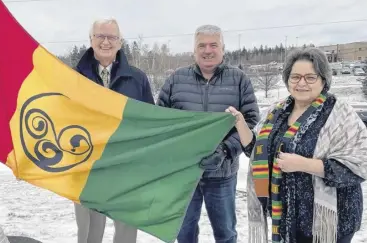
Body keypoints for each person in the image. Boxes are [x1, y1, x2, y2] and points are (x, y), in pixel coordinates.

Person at [227, 47, 367, 243]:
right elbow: (256, 152)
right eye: (295, 77)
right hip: (287, 218)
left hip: (329, 224)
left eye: (310, 77)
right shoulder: (276, 112)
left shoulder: (340, 114)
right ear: (287, 80)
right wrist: (240, 123)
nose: (302, 83)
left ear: (323, 80)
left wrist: (304, 164)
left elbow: (359, 166)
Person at [157, 24, 260, 243]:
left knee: (226, 234)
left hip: (222, 175)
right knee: (184, 234)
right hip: (184, 174)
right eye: (201, 45)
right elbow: (160, 121)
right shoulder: (176, 80)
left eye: (213, 44)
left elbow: (249, 121)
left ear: (223, 48)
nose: (207, 50)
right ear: (194, 50)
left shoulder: (239, 79)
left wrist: (225, 150)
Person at [74, 18, 154, 243]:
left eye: (112, 37)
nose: (106, 42)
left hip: (126, 169)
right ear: (91, 40)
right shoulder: (73, 78)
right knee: (89, 232)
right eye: (100, 36)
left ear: (120, 42)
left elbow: (150, 121)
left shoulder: (137, 79)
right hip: (87, 167)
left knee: (126, 232)